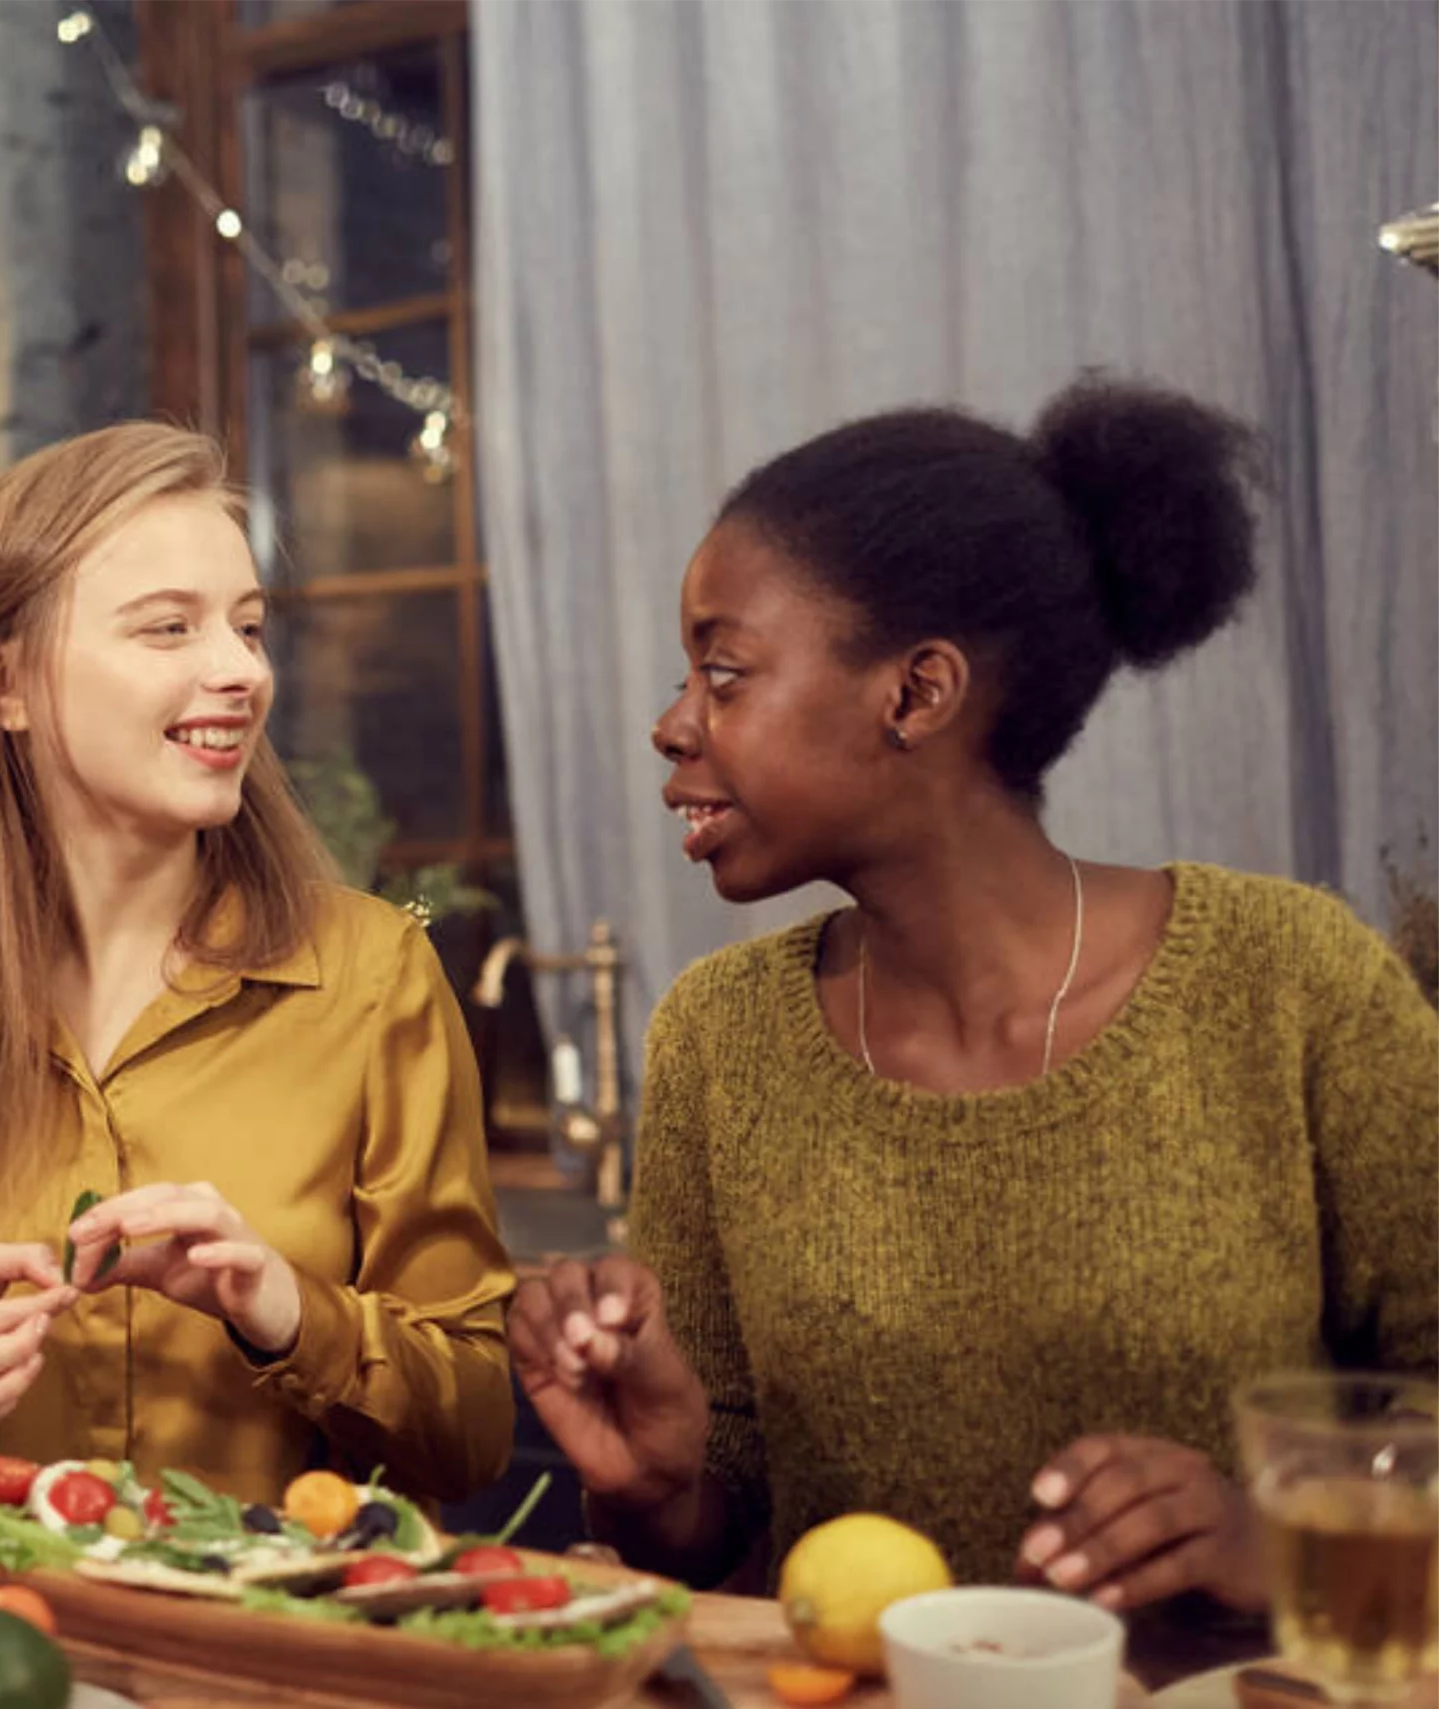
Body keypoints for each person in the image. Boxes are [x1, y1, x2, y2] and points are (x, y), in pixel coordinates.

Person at [511, 378, 1439, 1612]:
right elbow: (710, 1523)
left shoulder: (1286, 981)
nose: (672, 724)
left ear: (914, 693)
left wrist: (1271, 1542)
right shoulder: (717, 1039)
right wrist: (651, 1485)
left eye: (723, 671)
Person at [0, 422, 512, 1532]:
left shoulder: (373, 976)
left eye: (247, 626)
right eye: (168, 627)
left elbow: (472, 1435)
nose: (239, 670)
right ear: (6, 684)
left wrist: (284, 1310)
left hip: (272, 1660)